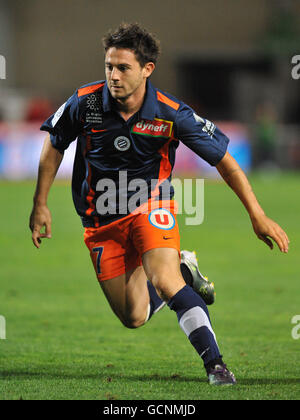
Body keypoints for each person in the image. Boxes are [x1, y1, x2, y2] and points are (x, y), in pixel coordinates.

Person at [29, 23, 289, 386]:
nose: (113, 76)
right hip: (100, 222)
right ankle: (186, 271)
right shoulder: (85, 103)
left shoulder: (171, 113)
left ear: (147, 69)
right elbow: (54, 145)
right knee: (133, 316)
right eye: (108, 66)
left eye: (123, 68)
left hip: (152, 207)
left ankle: (216, 365)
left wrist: (257, 214)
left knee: (165, 282)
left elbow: (225, 161)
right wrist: (40, 203)